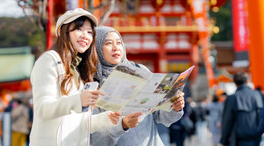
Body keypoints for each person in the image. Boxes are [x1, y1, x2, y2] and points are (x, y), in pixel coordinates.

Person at [29, 8, 121, 145]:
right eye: (79, 29)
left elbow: (79, 124)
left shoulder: (78, 70)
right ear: (63, 32)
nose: (85, 36)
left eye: (90, 32)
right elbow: (43, 108)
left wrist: (107, 118)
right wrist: (78, 100)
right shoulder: (49, 61)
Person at [91, 26, 185, 146]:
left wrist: (174, 106)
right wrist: (122, 125)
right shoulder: (92, 83)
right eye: (108, 43)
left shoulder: (140, 70)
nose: (116, 47)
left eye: (119, 43)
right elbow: (96, 139)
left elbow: (159, 116)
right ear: (97, 48)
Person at [220, 72, 263, 146]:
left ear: (235, 83)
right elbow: (261, 116)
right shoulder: (257, 95)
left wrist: (224, 140)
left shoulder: (232, 98)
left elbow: (227, 121)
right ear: (248, 81)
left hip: (239, 140)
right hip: (256, 138)